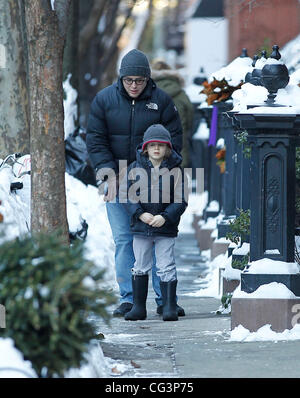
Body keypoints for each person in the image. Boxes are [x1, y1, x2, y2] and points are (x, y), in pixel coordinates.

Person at [86, 49, 185, 317]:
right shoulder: (104, 100)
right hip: (117, 181)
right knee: (124, 240)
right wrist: (108, 174)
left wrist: (163, 171)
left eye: (139, 81)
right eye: (129, 80)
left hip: (154, 184)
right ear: (120, 78)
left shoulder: (162, 102)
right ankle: (130, 299)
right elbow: (95, 139)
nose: (133, 86)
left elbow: (175, 141)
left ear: (148, 79)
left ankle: (165, 299)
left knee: (157, 239)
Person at [119, 124, 188, 321]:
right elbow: (125, 195)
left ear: (168, 149)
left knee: (166, 265)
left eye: (161, 145)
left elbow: (181, 199)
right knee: (140, 264)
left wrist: (165, 216)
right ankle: (139, 307)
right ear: (145, 148)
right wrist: (140, 214)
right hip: (141, 228)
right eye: (152, 145)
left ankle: (168, 305)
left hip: (165, 229)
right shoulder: (134, 169)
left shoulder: (176, 171)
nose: (156, 149)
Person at [151, 60, 194, 168]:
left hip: (153, 140)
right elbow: (190, 113)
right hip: (179, 138)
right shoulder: (180, 93)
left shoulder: (148, 93)